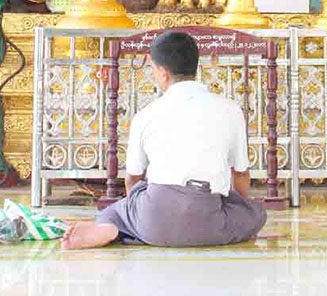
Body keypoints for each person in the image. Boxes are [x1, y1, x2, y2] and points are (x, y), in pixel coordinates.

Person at [62, 30, 267, 249]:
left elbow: (133, 179)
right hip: (210, 220)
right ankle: (140, 227)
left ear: (162, 72)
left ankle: (119, 228)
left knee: (116, 210)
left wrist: (136, 210)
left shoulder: (146, 114)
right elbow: (241, 174)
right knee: (256, 214)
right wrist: (240, 206)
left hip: (154, 218)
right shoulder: (230, 110)